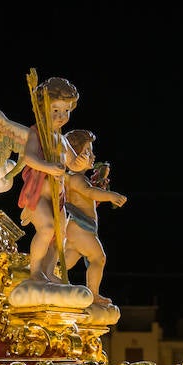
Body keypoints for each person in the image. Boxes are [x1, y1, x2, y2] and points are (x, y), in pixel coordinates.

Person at [35, 129, 127, 303]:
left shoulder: (72, 179)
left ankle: (45, 274)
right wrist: (110, 196)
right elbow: (90, 193)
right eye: (87, 152)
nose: (92, 156)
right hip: (80, 227)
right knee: (98, 258)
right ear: (74, 156)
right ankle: (93, 293)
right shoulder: (77, 179)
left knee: (65, 264)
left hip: (76, 228)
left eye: (91, 152)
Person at [16, 77, 91, 284]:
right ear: (41, 109)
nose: (61, 116)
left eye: (66, 111)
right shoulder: (36, 133)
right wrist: (48, 166)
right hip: (39, 194)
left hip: (58, 196)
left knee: (60, 236)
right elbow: (29, 158)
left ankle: (49, 272)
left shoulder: (62, 138)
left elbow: (72, 164)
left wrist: (81, 163)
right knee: (47, 228)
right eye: (55, 110)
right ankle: (36, 271)